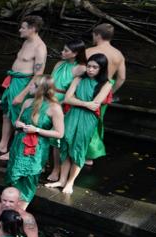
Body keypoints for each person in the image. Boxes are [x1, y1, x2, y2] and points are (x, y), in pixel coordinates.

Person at [47, 53, 112, 195]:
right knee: (65, 145)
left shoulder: (106, 84)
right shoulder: (78, 79)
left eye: (95, 67)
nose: (90, 70)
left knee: (79, 148)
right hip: (72, 115)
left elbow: (95, 105)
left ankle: (70, 182)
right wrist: (85, 103)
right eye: (89, 66)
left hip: (88, 119)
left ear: (102, 68)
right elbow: (68, 99)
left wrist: (78, 101)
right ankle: (62, 180)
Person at [0, 16, 47, 156]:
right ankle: (2, 145)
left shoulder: (40, 47)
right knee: (7, 114)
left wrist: (22, 94)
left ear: (32, 29)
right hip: (14, 80)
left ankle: (13, 151)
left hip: (24, 84)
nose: (20, 30)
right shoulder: (26, 42)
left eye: (23, 28)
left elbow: (38, 75)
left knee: (18, 117)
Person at [6, 76, 65, 206]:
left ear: (41, 89)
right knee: (14, 173)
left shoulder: (54, 108)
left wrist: (36, 130)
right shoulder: (28, 102)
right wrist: (18, 124)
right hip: (19, 144)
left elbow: (59, 133)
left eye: (33, 85)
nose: (30, 87)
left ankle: (21, 208)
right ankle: (11, 205)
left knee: (29, 177)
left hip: (37, 147)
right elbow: (17, 122)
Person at [46, 40, 87, 181]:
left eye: (66, 51)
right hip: (49, 97)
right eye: (63, 49)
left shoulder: (81, 68)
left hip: (64, 102)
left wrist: (61, 102)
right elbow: (50, 82)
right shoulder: (59, 64)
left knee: (56, 138)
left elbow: (77, 91)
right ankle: (43, 162)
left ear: (75, 53)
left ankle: (56, 169)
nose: (62, 52)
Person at [84, 23, 126, 162]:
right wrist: (110, 92)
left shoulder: (89, 51)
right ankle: (90, 156)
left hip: (87, 88)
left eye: (93, 35)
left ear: (98, 35)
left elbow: (79, 71)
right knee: (96, 121)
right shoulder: (118, 54)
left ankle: (77, 151)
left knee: (81, 118)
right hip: (105, 90)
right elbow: (121, 78)